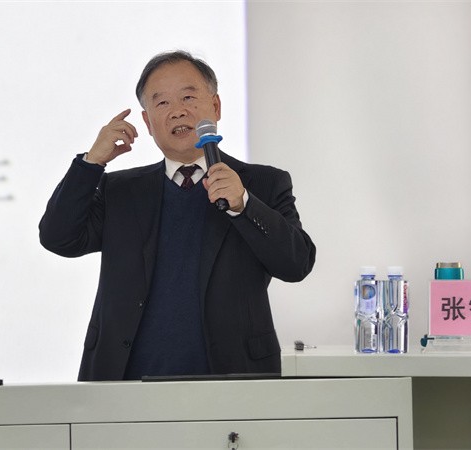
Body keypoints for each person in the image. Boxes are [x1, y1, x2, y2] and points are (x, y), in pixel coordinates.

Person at [39, 50, 316, 381]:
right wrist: (91, 163)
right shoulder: (120, 190)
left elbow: (296, 264)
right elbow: (58, 237)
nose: (177, 111)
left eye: (188, 97)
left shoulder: (263, 183)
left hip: (232, 381)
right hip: (125, 383)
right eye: (162, 103)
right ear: (147, 123)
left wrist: (244, 204)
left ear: (216, 107)